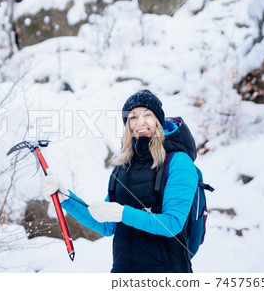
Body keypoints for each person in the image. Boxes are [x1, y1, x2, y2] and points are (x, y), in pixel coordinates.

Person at [43, 89, 199, 273]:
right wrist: (66, 199)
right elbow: (107, 225)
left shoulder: (178, 162)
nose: (140, 122)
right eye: (133, 117)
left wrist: (123, 213)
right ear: (128, 125)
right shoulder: (123, 167)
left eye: (147, 114)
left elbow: (172, 223)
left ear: (158, 119)